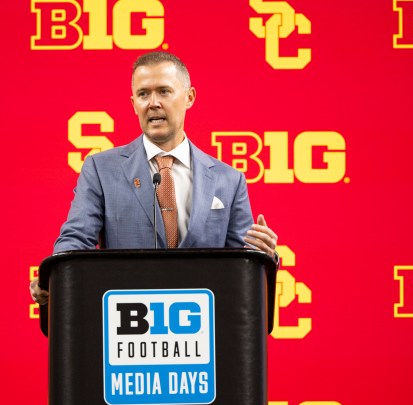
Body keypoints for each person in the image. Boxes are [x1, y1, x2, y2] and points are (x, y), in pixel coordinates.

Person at [30, 51, 278, 305]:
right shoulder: (101, 170)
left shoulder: (229, 180)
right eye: (143, 94)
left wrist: (262, 256)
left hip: (203, 328)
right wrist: (53, 275)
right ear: (133, 103)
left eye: (164, 91)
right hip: (128, 325)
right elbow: (76, 240)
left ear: (189, 97)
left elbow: (242, 263)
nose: (153, 103)